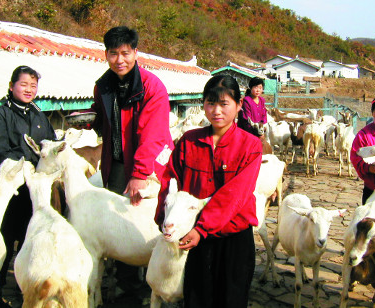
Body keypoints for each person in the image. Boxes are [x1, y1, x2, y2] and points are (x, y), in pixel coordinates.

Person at [155, 75, 263, 308]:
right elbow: (170, 181)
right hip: (195, 239)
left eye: (224, 104)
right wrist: (164, 219)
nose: (216, 111)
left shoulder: (250, 145)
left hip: (233, 238)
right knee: (197, 298)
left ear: (239, 105)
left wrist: (202, 228)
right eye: (210, 103)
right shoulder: (188, 142)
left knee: (231, 299)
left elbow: (235, 195)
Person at [88, 26, 174, 293]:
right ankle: (126, 280)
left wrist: (139, 173)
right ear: (106, 55)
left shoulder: (152, 87)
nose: (119, 60)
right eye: (113, 54)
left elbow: (153, 134)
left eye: (125, 53)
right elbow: (104, 120)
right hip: (116, 162)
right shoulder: (102, 85)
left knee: (149, 219)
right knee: (119, 219)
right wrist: (90, 120)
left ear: (136, 52)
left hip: (148, 163)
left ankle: (155, 278)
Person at [0, 65, 56, 307]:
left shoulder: (39, 117)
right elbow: (0, 153)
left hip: (33, 196)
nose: (29, 89)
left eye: (33, 85)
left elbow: (50, 147)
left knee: (31, 245)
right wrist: (28, 169)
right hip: (7, 195)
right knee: (1, 247)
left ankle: (27, 294)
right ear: (12, 85)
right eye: (24, 84)